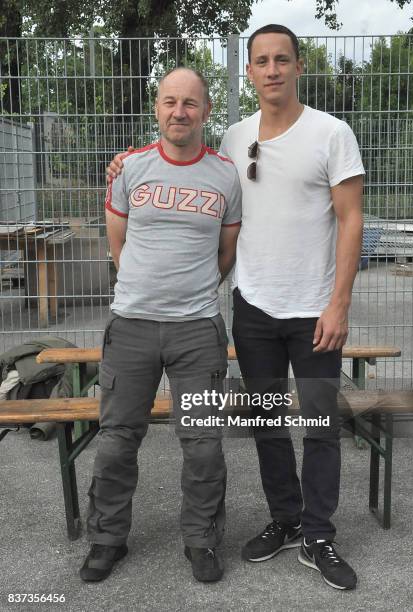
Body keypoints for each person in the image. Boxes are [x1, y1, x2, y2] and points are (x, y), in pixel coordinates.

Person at [107, 24, 365, 591]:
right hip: (255, 311)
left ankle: (320, 535)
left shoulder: (332, 133)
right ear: (248, 72)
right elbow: (184, 159)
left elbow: (351, 220)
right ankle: (286, 518)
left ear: (299, 66)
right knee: (269, 423)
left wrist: (339, 303)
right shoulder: (231, 139)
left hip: (315, 311)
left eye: (282, 60)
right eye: (261, 61)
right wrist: (124, 163)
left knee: (320, 425)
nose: (271, 70)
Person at [80, 66, 241, 584]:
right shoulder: (130, 169)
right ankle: (107, 539)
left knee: (203, 444)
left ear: (206, 112)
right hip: (131, 327)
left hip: (197, 330)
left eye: (190, 103)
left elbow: (226, 253)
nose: (179, 112)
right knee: (116, 441)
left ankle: (201, 540)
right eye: (170, 102)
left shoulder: (225, 175)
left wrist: (188, 293)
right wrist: (145, 291)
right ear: (157, 108)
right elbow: (117, 245)